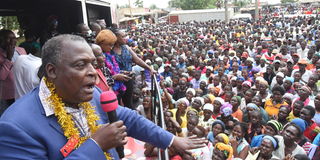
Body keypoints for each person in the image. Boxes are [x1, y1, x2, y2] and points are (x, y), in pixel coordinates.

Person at [0, 35, 206, 159]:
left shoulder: (93, 93)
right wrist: (96, 145)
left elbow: (126, 116)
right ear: (52, 72)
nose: (92, 72)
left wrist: (171, 140)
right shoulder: (16, 127)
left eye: (93, 63)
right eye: (81, 65)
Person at [110, 28, 156, 109]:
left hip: (128, 79)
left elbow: (137, 60)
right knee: (116, 104)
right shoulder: (110, 50)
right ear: (116, 38)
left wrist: (149, 68)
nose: (126, 38)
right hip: (116, 81)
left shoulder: (126, 47)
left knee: (128, 103)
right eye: (123, 36)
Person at [0, 29, 27, 115]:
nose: (13, 41)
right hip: (8, 95)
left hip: (23, 90)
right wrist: (8, 58)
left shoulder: (21, 50)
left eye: (14, 38)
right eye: (8, 38)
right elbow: (1, 76)